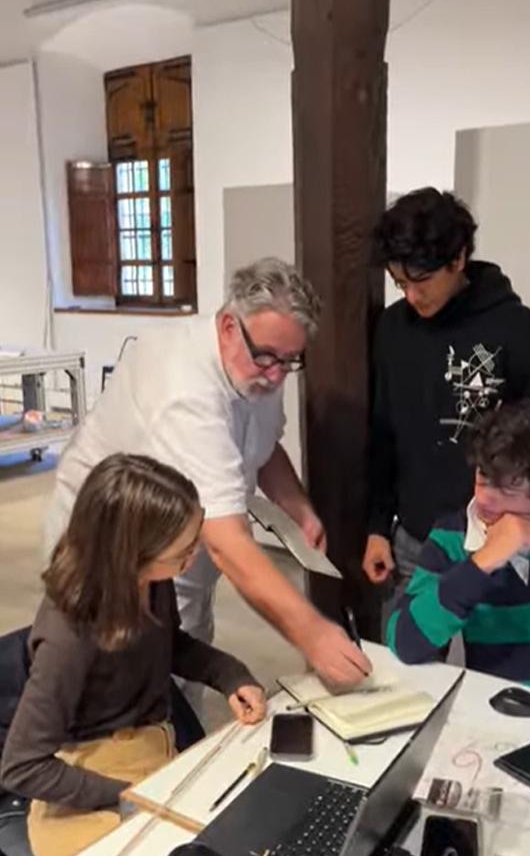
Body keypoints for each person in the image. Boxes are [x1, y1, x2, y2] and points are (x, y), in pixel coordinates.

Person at [46, 258, 370, 688]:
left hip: (182, 546)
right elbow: (226, 544)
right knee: (118, 683)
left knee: (184, 650)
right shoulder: (185, 390)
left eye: (290, 360)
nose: (276, 375)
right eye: (267, 357)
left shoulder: (257, 363)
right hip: (114, 550)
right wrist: (313, 634)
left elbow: (262, 445)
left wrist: (299, 510)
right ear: (229, 326)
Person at [1, 454, 266, 856]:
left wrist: (231, 676)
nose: (194, 556)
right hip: (92, 780)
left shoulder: (150, 581)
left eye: (194, 539)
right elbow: (22, 767)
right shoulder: (69, 638)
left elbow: (169, 645)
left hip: (149, 750)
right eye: (181, 552)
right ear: (132, 554)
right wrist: (124, 794)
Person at [362, 188, 530, 622]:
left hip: (501, 542)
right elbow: (383, 433)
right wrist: (377, 527)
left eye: (421, 281)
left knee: (501, 660)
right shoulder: (393, 330)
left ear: (458, 258)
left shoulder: (526, 337)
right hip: (414, 541)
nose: (411, 296)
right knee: (408, 652)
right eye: (400, 283)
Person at [387, 400, 530, 693]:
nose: (484, 498)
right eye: (483, 475)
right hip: (493, 706)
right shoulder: (453, 537)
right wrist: (481, 563)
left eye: (511, 485)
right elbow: (404, 642)